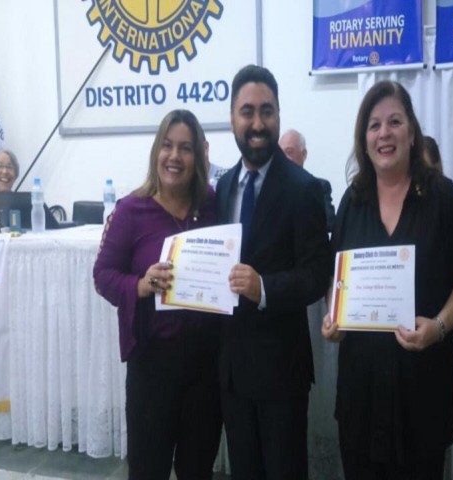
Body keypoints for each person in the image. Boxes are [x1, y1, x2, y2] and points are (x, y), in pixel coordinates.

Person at [322, 80, 453, 479]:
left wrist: (439, 326)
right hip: (361, 400)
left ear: (411, 132)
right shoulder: (352, 202)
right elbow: (336, 281)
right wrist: (333, 318)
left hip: (421, 397)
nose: (384, 133)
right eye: (374, 125)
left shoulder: (443, 197)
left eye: (394, 121)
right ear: (364, 139)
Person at [215, 65, 331, 480]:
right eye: (247, 112)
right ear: (233, 118)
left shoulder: (304, 188)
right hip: (232, 371)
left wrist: (264, 287)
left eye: (267, 111)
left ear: (278, 114)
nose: (258, 123)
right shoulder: (223, 187)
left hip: (281, 371)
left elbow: (317, 273)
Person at [93, 110, 222, 480]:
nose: (174, 156)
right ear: (156, 152)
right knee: (148, 469)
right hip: (152, 365)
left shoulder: (212, 204)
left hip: (205, 365)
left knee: (197, 469)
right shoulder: (131, 210)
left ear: (199, 156)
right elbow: (102, 275)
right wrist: (140, 285)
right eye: (167, 146)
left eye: (185, 148)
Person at [279, 129, 336, 232]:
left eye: (289, 152)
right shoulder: (270, 188)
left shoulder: (320, 186)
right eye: (281, 154)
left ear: (304, 154)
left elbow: (329, 222)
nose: (284, 159)